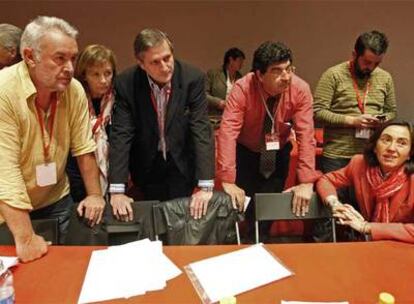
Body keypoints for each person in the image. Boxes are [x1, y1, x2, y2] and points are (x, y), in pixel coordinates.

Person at [0, 16, 105, 262]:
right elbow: (5, 171)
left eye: (73, 58)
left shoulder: (74, 90)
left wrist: (94, 195)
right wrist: (25, 238)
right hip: (8, 209)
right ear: (29, 56)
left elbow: (84, 148)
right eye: (60, 58)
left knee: (63, 270)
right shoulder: (4, 92)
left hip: (56, 198)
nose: (69, 67)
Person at [109, 28, 215, 222]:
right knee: (153, 222)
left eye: (167, 58)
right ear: (141, 64)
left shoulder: (193, 78)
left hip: (182, 162)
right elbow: (121, 134)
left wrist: (205, 185)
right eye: (155, 62)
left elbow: (201, 128)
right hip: (147, 164)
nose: (165, 67)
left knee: (182, 222)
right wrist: (117, 190)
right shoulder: (126, 83)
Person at [216, 41, 320, 224]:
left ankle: (263, 242)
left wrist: (306, 181)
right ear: (260, 75)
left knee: (268, 211)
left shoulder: (300, 89)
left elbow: (306, 135)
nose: (286, 76)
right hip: (246, 152)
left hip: (277, 154)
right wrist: (228, 179)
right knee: (243, 209)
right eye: (277, 71)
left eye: (289, 69)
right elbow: (228, 132)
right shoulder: (242, 88)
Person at [314, 30, 396, 176]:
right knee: (337, 197)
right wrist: (352, 121)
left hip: (370, 154)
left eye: (377, 63)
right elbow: (318, 112)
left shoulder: (385, 78)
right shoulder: (333, 75)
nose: (371, 67)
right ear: (354, 55)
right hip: (338, 154)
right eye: (367, 62)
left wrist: (380, 120)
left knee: (366, 199)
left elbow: (392, 112)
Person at [316, 121, 414, 243]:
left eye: (401, 143)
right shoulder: (360, 164)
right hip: (368, 246)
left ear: (410, 153)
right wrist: (335, 204)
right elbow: (326, 180)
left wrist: (367, 227)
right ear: (374, 147)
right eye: (386, 140)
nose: (391, 148)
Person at [66, 44, 116, 203]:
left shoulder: (118, 99)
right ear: (84, 75)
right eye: (95, 74)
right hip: (76, 175)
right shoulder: (72, 98)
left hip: (113, 174)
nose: (103, 80)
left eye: (108, 73)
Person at [205, 47, 245, 126]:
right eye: (239, 61)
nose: (242, 64)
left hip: (233, 118)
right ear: (230, 60)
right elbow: (204, 94)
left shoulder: (240, 77)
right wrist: (219, 103)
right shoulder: (213, 74)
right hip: (215, 118)